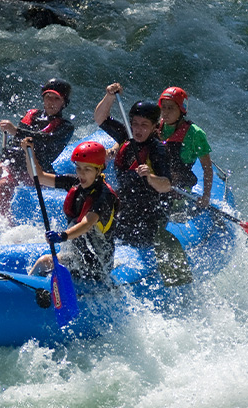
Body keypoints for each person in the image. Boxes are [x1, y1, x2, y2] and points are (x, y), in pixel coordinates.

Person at [23, 138, 119, 282]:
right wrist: (28, 152)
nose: (81, 174)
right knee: (45, 264)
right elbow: (40, 177)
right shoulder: (76, 183)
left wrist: (62, 236)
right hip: (78, 255)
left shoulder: (104, 196)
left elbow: (87, 224)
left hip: (98, 264)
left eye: (87, 169)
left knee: (44, 262)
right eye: (78, 168)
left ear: (99, 169)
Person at [93, 82, 172, 247]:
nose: (138, 129)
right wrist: (109, 97)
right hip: (123, 204)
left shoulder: (157, 149)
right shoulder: (126, 136)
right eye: (135, 123)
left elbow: (166, 185)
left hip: (147, 212)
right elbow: (100, 118)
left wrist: (150, 177)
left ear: (154, 127)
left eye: (144, 125)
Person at [0, 78, 75, 220]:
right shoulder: (31, 115)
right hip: (16, 167)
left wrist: (16, 131)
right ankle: (5, 223)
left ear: (64, 102)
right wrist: (2, 161)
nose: (51, 102)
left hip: (40, 170)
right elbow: (14, 144)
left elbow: (45, 138)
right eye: (48, 97)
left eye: (56, 98)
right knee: (3, 185)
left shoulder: (66, 127)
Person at [157, 86, 213, 209]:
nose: (165, 112)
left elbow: (208, 169)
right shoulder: (157, 125)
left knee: (174, 206)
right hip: (160, 177)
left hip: (181, 183)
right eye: (164, 107)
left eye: (170, 108)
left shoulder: (196, 134)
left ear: (182, 110)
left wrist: (206, 196)